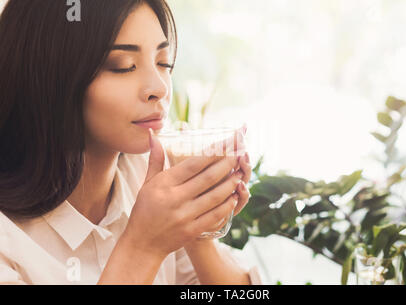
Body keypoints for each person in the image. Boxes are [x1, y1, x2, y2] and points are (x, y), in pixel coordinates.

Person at [0, 0, 261, 284]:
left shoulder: (151, 181)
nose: (159, 88)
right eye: (123, 66)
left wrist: (198, 225)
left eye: (164, 63)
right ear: (48, 76)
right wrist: (144, 247)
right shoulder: (9, 238)